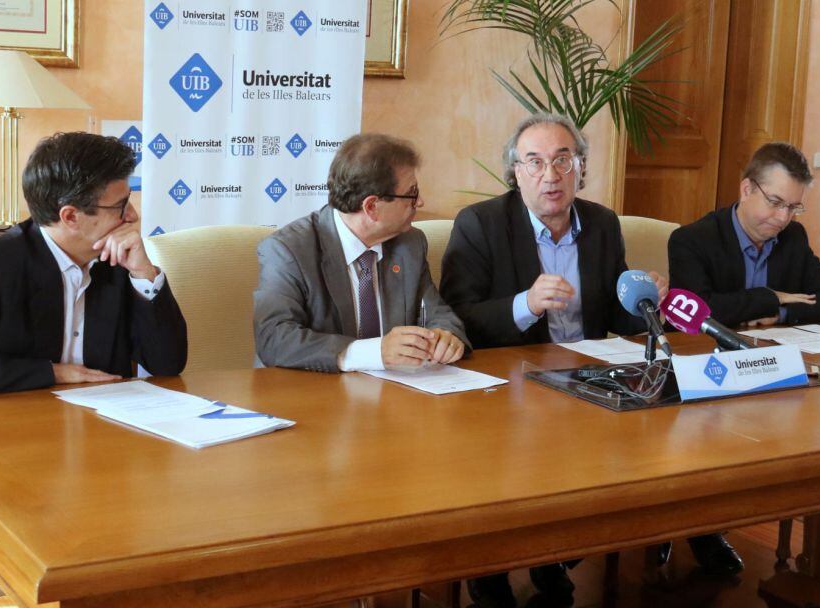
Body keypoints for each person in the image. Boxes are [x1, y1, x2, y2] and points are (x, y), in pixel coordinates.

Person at [440, 113, 738, 607]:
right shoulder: (481, 224)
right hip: (509, 385)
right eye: (535, 162)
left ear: (581, 168)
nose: (550, 176)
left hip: (588, 379)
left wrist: (647, 300)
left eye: (563, 161)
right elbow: (458, 318)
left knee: (674, 427)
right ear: (515, 172)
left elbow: (616, 316)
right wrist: (525, 304)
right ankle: (492, 571)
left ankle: (560, 556)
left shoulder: (601, 223)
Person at [0, 132, 187, 397]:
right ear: (71, 216)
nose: (133, 216)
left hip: (106, 420)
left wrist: (143, 274)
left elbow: (167, 365)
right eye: (121, 205)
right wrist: (53, 373)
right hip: (20, 421)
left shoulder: (119, 259)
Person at [254, 133, 468, 372]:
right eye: (412, 193)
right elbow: (274, 338)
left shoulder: (410, 244)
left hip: (394, 389)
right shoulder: (289, 250)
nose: (420, 202)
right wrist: (372, 352)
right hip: (312, 388)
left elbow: (437, 312)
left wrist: (445, 336)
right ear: (372, 207)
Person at [668, 142, 820, 328]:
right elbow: (694, 314)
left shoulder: (793, 236)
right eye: (775, 202)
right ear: (746, 190)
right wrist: (771, 298)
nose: (783, 218)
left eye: (792, 207)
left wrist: (782, 314)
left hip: (769, 345)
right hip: (703, 346)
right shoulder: (691, 240)